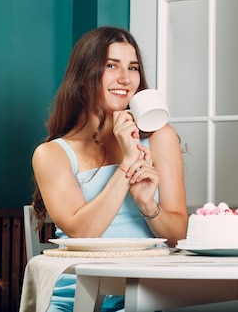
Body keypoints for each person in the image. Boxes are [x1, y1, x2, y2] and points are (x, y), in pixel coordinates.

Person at [30, 26, 188, 312]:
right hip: (77, 296)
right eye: (111, 66)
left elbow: (179, 234)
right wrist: (126, 166)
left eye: (133, 67)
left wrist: (147, 204)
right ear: (82, 77)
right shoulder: (52, 154)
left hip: (147, 290)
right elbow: (82, 233)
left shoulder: (159, 137)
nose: (125, 79)